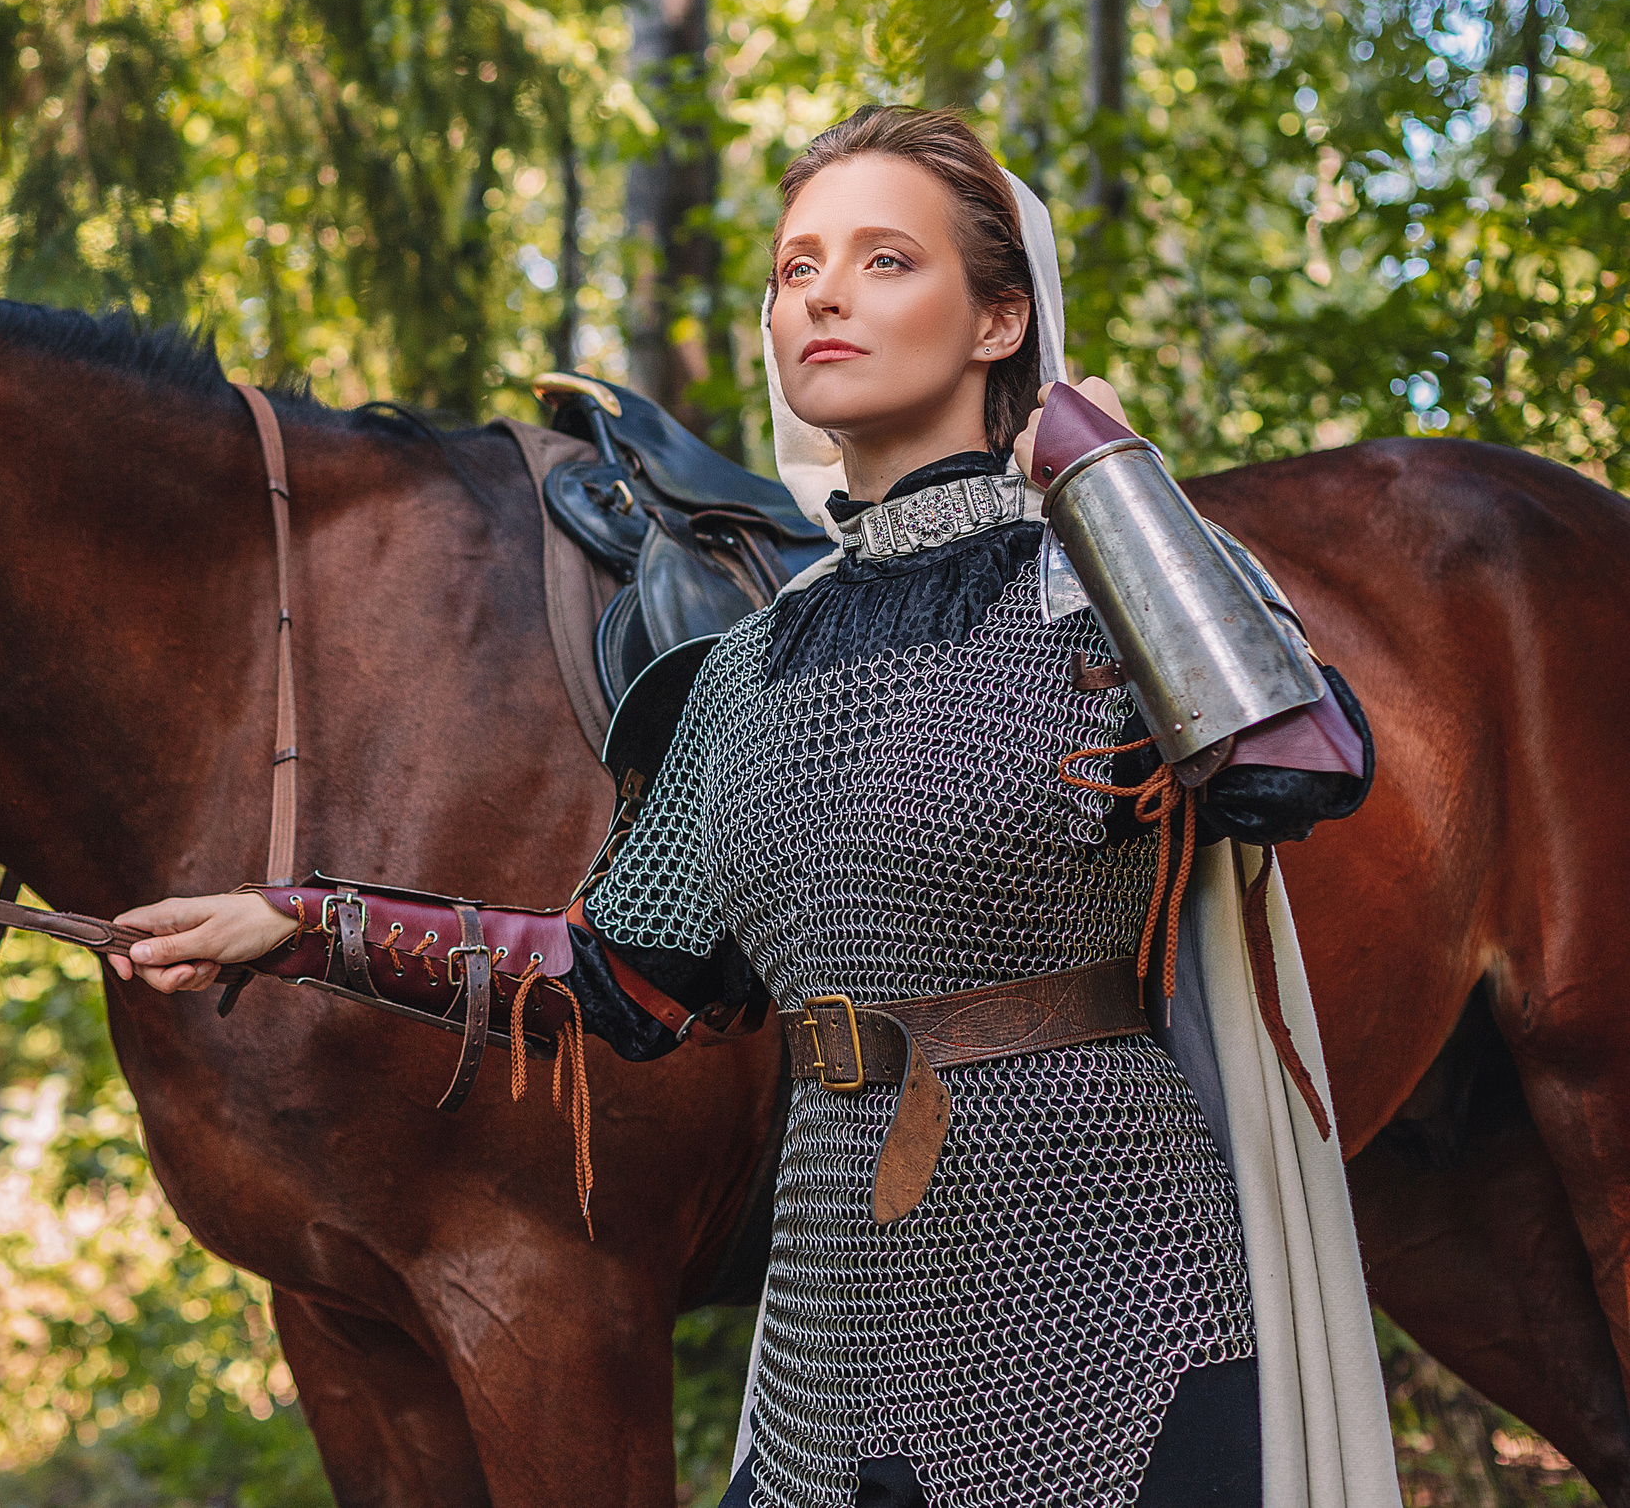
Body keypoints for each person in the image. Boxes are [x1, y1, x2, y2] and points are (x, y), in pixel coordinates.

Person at [105, 107, 1398, 1508]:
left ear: (1001, 318)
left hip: (1116, 1304)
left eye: (886, 259)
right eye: (796, 269)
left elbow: (1297, 765)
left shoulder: (1104, 591)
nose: (823, 295)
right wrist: (301, 926)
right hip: (840, 1333)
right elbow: (612, 979)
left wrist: (1097, 464)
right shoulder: (746, 672)